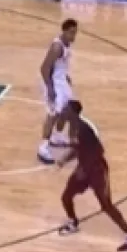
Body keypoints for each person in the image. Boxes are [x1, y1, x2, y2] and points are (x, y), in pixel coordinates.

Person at [55, 100, 127, 252]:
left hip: (97, 170)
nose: (63, 111)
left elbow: (99, 150)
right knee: (66, 196)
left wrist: (85, 169)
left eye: (66, 109)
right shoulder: (73, 128)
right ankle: (73, 222)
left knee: (106, 205)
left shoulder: (83, 128)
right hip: (84, 168)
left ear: (72, 113)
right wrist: (64, 159)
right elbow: (78, 149)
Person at [37, 19, 77, 164]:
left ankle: (57, 136)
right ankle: (43, 147)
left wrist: (66, 76)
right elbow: (44, 68)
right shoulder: (57, 47)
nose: (74, 35)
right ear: (64, 31)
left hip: (61, 81)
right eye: (71, 32)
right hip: (53, 83)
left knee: (69, 109)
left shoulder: (67, 44)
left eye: (75, 32)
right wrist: (50, 89)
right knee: (52, 114)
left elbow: (60, 65)